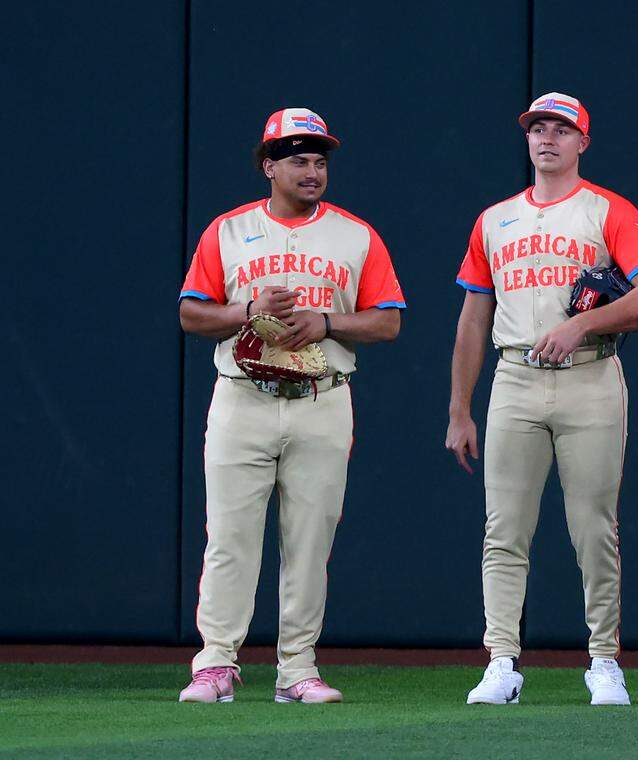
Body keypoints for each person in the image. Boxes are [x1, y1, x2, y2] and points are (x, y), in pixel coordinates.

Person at [446, 93, 638, 706]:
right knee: (503, 530)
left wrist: (582, 325)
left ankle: (603, 660)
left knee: (593, 527)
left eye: (561, 129)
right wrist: (459, 409)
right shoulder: (494, 219)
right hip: (514, 376)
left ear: (582, 142)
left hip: (590, 376)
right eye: (538, 127)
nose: (547, 138)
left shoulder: (608, 211)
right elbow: (473, 317)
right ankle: (500, 661)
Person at [177, 107, 406, 704]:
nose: (312, 170)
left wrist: (326, 320)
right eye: (298, 159)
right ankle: (216, 664)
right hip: (242, 396)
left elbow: (387, 322)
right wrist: (245, 311)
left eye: (319, 160)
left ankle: (297, 669)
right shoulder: (227, 230)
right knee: (229, 537)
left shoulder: (356, 235)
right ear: (268, 165)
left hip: (321, 399)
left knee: (310, 539)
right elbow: (191, 313)